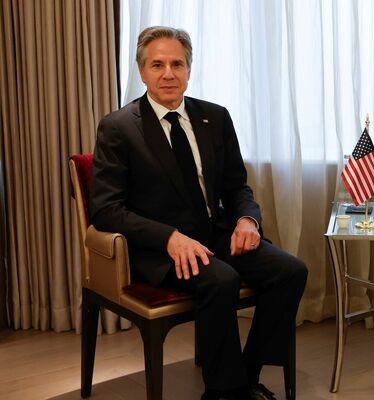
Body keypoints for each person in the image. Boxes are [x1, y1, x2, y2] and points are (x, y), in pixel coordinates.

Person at [90, 26, 308, 400]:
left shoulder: (215, 118)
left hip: (214, 232)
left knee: (290, 271)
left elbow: (237, 186)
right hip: (161, 248)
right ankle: (224, 392)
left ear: (189, 69)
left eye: (177, 63)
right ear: (142, 71)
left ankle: (246, 373)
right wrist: (169, 238)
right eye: (157, 64)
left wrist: (247, 220)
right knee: (220, 280)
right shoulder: (119, 128)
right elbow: (107, 210)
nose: (168, 73)